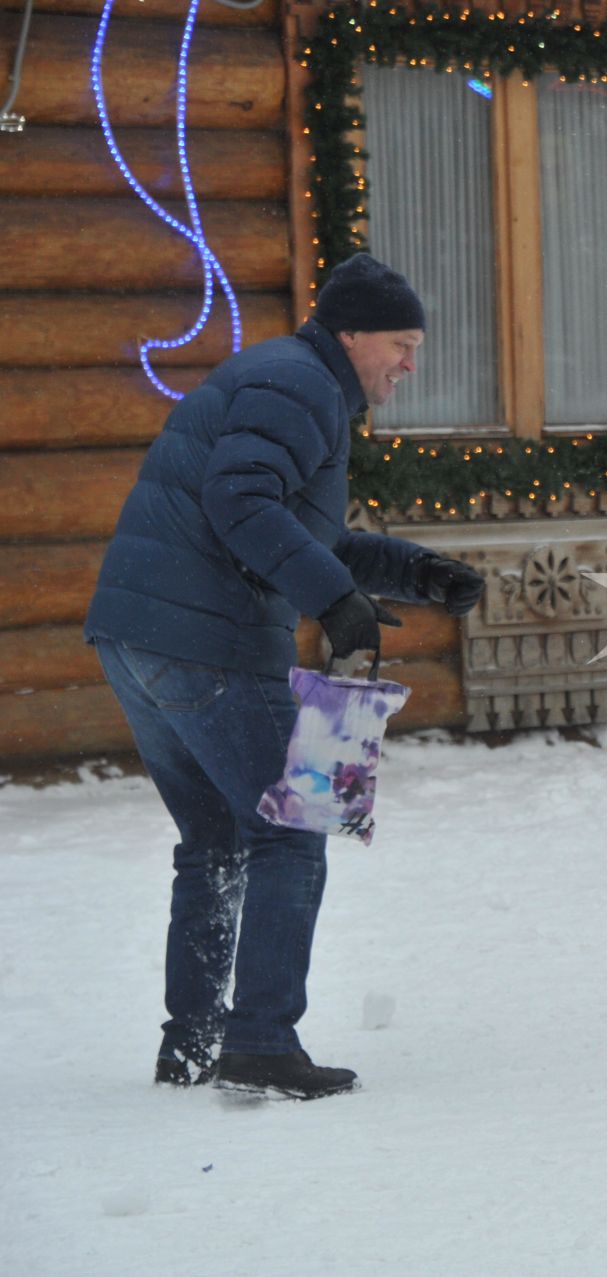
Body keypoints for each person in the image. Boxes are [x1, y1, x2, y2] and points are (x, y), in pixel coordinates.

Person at [85, 253, 485, 1100]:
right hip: (208, 641)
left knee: (218, 843)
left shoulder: (288, 378)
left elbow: (291, 529)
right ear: (352, 334)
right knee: (291, 827)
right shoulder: (299, 384)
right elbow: (243, 506)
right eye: (401, 344)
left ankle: (192, 1043)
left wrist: (415, 573)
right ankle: (260, 1041)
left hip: (140, 635)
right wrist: (335, 601)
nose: (410, 364)